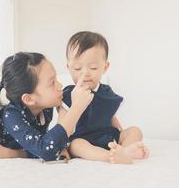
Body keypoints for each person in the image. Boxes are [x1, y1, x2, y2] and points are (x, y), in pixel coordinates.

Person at [62, 31, 149, 164]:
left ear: (105, 67)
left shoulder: (106, 92)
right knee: (76, 145)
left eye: (93, 67)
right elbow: (64, 124)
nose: (85, 73)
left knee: (135, 131)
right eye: (78, 68)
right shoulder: (68, 94)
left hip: (108, 136)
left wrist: (121, 133)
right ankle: (109, 156)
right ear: (69, 68)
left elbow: (110, 114)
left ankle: (124, 151)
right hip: (83, 139)